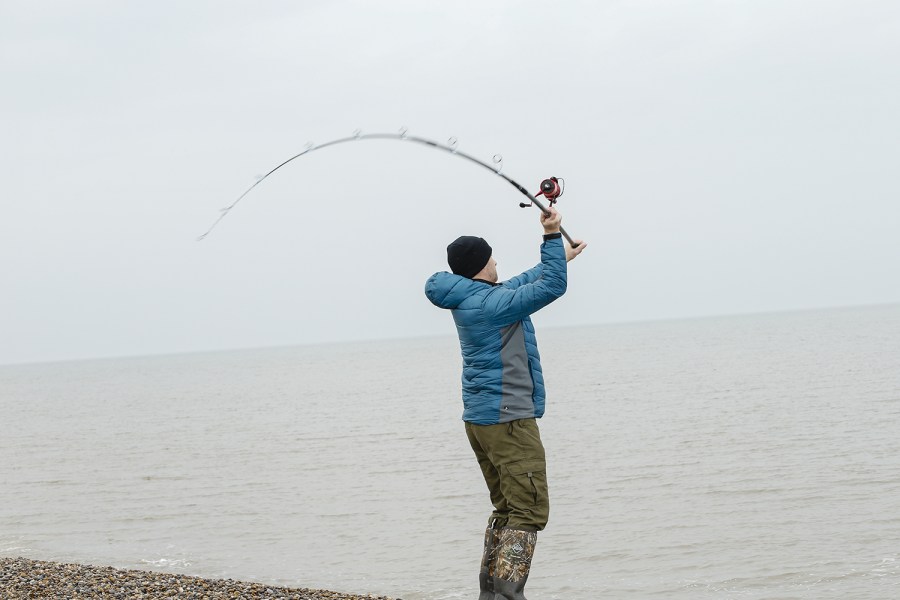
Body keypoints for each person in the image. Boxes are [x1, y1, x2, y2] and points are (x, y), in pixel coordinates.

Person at [424, 207, 586, 599]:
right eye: (492, 257)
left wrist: (558, 258)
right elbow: (549, 289)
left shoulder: (473, 299)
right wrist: (550, 236)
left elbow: (522, 284)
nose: (497, 261)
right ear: (481, 265)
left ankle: (491, 595)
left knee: (506, 509)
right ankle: (510, 596)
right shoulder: (491, 306)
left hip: (482, 420)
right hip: (508, 419)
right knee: (529, 510)